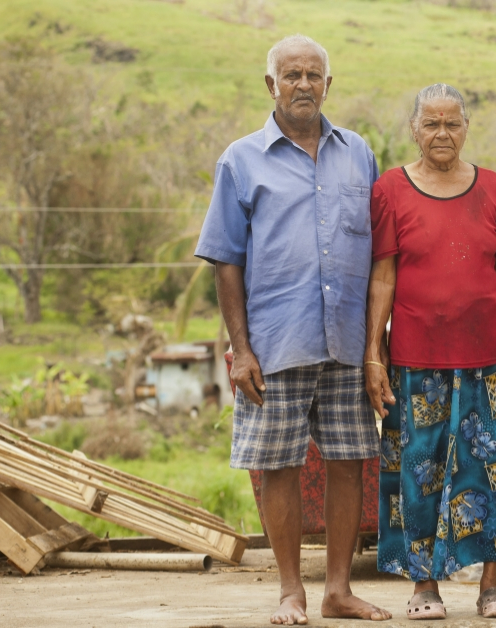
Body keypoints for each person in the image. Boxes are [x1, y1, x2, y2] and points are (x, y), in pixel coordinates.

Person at [194, 34, 391, 626]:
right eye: (291, 74)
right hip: (274, 343)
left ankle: (337, 590)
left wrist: (375, 348)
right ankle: (290, 591)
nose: (303, 84)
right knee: (276, 465)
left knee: (351, 459)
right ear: (271, 84)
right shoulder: (241, 158)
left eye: (313, 75)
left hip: (347, 342)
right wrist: (241, 349)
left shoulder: (358, 153)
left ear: (328, 85)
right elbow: (226, 259)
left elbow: (382, 254)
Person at [363, 84, 496, 621]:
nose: (442, 134)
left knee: (491, 470)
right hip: (415, 360)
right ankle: (423, 586)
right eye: (431, 124)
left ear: (466, 128)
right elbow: (383, 275)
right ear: (415, 128)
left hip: (488, 359)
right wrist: (374, 353)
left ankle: (492, 584)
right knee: (419, 471)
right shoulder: (390, 189)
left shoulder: (495, 190)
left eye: (452, 124)